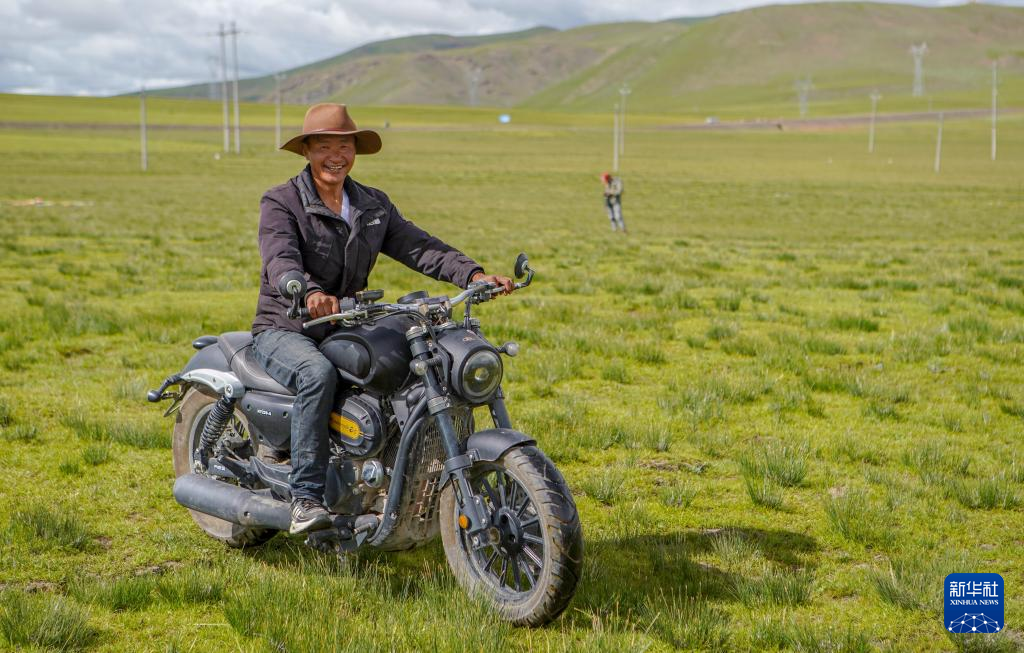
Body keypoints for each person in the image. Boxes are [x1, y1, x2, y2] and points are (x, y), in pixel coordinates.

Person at [251, 103, 513, 535]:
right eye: (324, 147)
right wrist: (308, 292)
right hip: (287, 326)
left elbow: (418, 246)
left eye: (344, 147)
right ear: (307, 151)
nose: (336, 156)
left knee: (410, 363)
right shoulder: (281, 201)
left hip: (346, 323)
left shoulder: (371, 204)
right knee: (317, 374)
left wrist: (472, 275)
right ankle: (306, 498)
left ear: (355, 151)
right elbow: (280, 258)